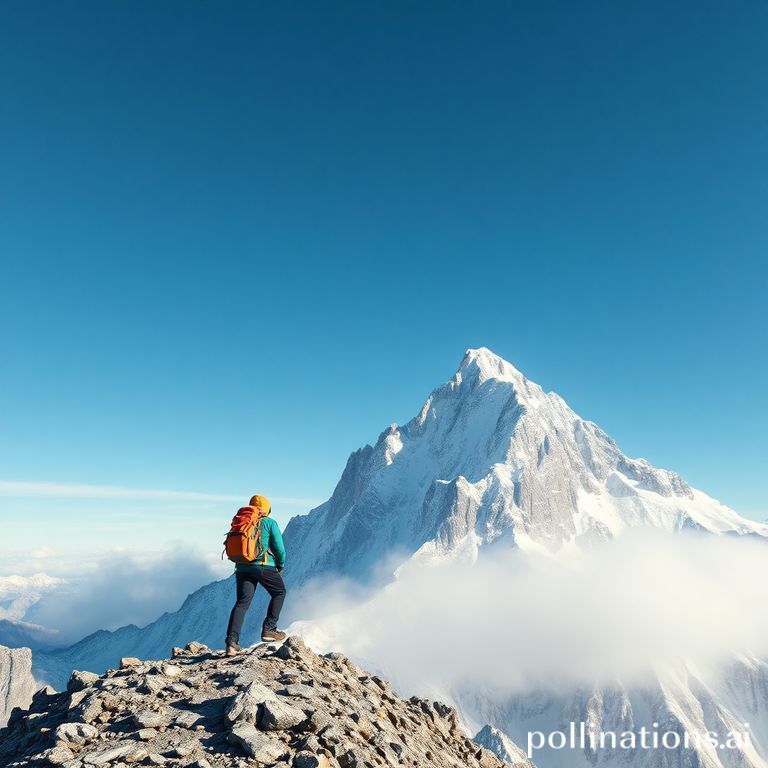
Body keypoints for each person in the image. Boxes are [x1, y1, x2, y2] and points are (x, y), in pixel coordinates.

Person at [225, 494, 287, 655]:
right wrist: (280, 564)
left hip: (242, 566)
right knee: (279, 592)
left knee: (242, 603)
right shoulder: (269, 522)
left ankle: (232, 643)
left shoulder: (242, 521)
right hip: (262, 565)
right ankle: (269, 629)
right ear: (267, 509)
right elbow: (279, 547)